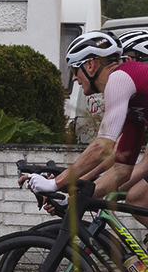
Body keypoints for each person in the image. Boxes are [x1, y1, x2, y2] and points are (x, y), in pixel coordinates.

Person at [22, 31, 144, 202]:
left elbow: (102, 147)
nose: (74, 78)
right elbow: (121, 172)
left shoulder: (119, 78)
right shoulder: (136, 107)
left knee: (138, 198)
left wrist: (55, 184)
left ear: (90, 65)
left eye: (74, 69)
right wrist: (71, 201)